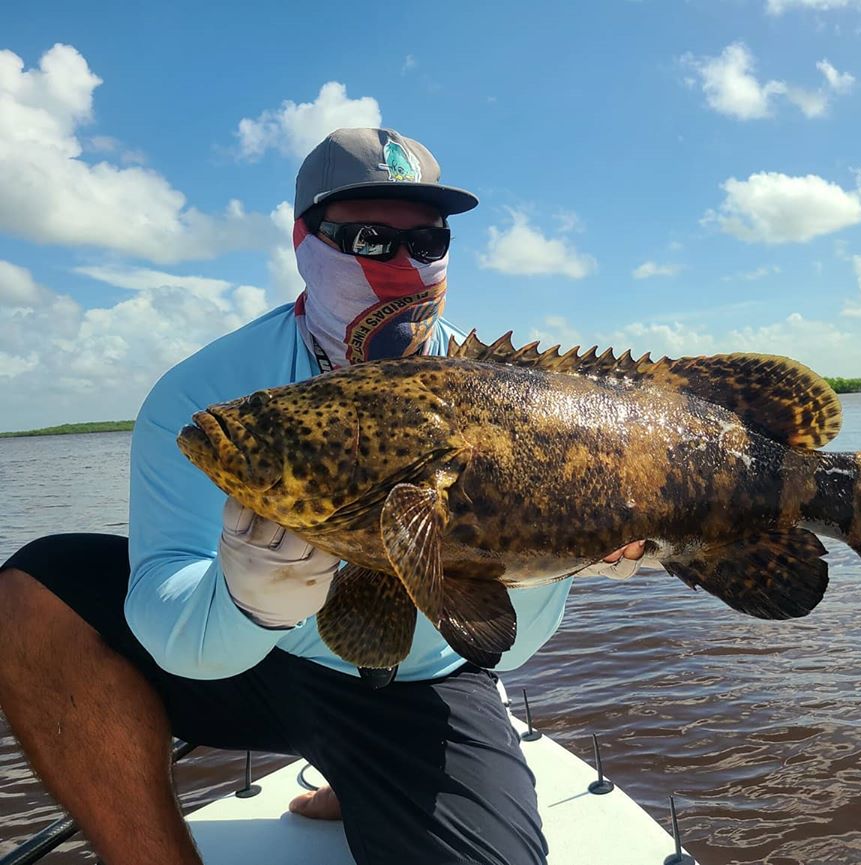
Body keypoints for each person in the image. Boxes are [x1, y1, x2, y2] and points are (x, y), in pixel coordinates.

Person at [0, 127, 645, 865]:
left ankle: (363, 773)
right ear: (304, 239)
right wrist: (248, 599)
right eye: (370, 239)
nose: (406, 265)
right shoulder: (205, 395)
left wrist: (551, 561)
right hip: (253, 664)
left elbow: (506, 647)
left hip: (416, 686)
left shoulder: (509, 404)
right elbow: (164, 607)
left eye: (428, 241)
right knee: (35, 591)